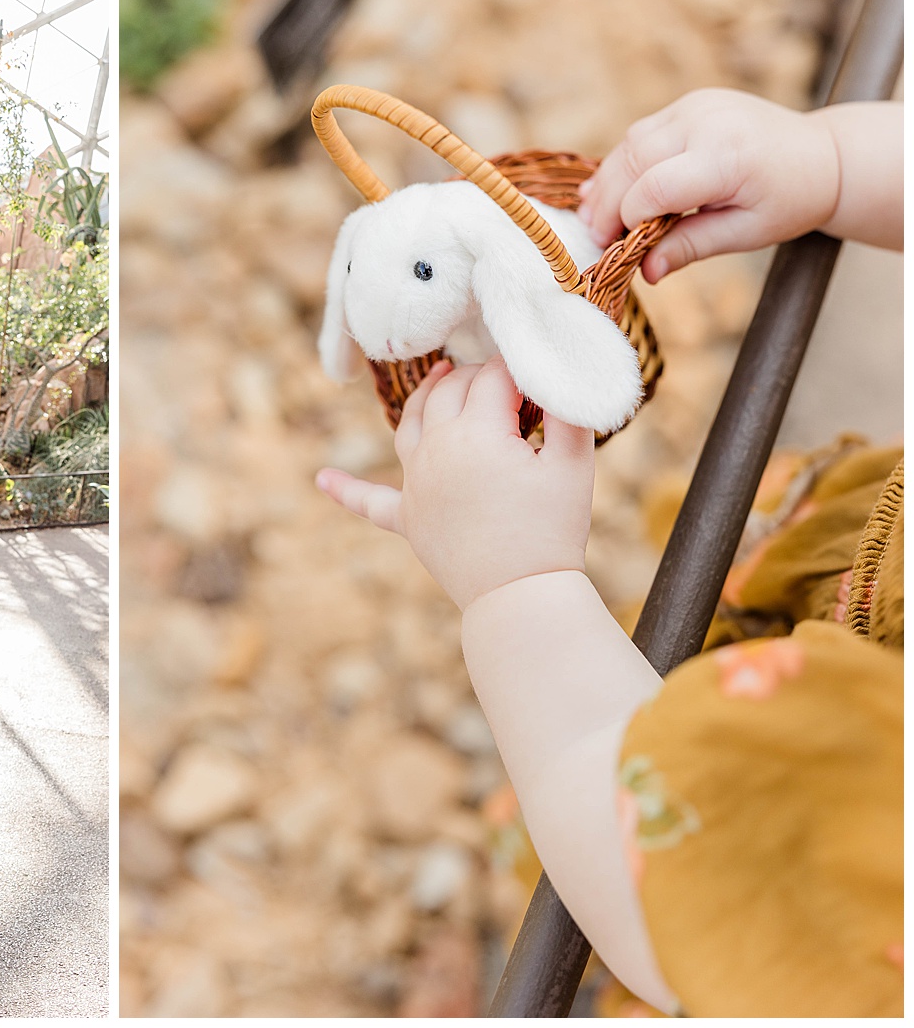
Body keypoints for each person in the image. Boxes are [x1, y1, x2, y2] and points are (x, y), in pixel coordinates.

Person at [316, 89, 903, 1016]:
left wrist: (515, 582)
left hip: (702, 822)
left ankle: (565, 953)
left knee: (594, 880)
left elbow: (698, 861)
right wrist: (836, 162)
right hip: (814, 626)